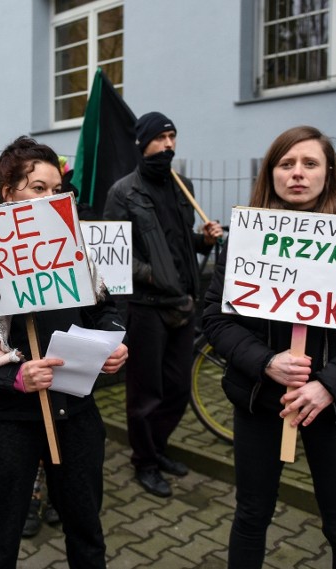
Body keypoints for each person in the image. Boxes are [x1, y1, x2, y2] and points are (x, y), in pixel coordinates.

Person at [202, 125, 336, 569]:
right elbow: (216, 318)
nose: (297, 173)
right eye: (286, 163)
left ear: (329, 173)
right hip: (261, 404)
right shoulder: (245, 240)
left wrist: (329, 385)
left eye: (309, 163)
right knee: (251, 515)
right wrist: (266, 362)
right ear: (270, 173)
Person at [0, 136, 129, 568]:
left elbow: (106, 310)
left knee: (86, 531)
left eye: (57, 190)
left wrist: (115, 344)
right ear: (9, 192)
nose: (51, 198)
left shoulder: (72, 245)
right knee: (0, 538)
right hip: (9, 422)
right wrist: (12, 378)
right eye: (38, 188)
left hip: (76, 414)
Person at [103, 111, 223, 497]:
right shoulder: (123, 192)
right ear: (142, 143)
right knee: (145, 392)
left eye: (173, 137)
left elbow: (178, 240)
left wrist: (204, 240)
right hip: (147, 306)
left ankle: (159, 447)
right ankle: (145, 461)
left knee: (175, 388)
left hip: (183, 305)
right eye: (160, 137)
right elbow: (113, 256)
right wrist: (153, 274)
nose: (168, 145)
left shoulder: (180, 185)